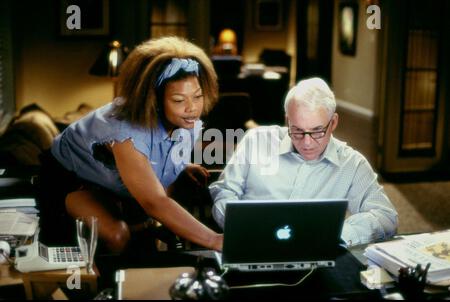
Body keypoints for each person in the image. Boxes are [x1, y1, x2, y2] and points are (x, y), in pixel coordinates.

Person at [38, 36, 223, 254]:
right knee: (118, 235)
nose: (192, 108)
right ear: (154, 101)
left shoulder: (187, 122)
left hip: (110, 180)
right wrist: (213, 240)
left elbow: (159, 152)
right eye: (179, 100)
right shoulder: (125, 133)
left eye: (198, 96)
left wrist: (181, 165)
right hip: (71, 181)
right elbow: (154, 202)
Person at [209, 77, 398, 247]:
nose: (307, 143)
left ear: (333, 123)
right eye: (297, 130)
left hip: (317, 255)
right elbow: (224, 192)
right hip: (250, 244)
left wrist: (332, 234)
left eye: (317, 131)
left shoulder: (351, 163)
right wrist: (244, 228)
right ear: (287, 121)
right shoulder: (255, 140)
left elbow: (386, 217)